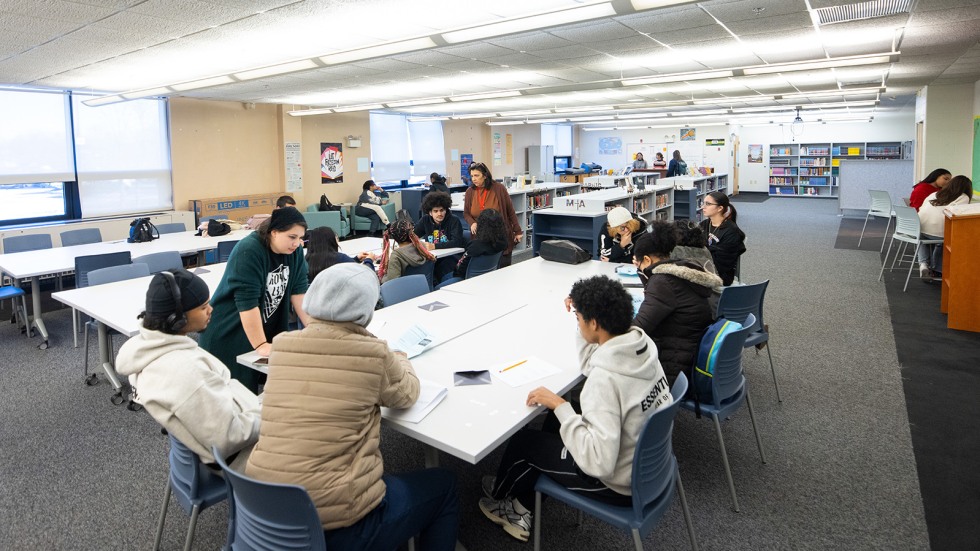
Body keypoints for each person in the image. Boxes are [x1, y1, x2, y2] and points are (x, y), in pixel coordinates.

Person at [245, 263, 459, 550]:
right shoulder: (373, 353)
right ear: (367, 309)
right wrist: (400, 356)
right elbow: (407, 394)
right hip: (339, 522)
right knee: (445, 486)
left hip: (263, 507)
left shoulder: (283, 345)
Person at [479, 275, 671, 542]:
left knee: (525, 441)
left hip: (617, 483)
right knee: (555, 423)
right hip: (649, 466)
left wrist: (560, 404)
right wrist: (562, 411)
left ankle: (503, 500)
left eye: (579, 318)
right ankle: (521, 501)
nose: (577, 322)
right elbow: (592, 363)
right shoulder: (640, 346)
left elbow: (598, 462)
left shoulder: (605, 381)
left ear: (594, 323)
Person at [116, 269, 260, 470]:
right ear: (177, 318)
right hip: (243, 458)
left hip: (228, 428)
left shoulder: (144, 350)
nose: (211, 309)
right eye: (203, 307)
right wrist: (270, 415)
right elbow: (228, 438)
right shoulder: (187, 371)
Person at [199, 206, 312, 393]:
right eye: (292, 237)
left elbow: (299, 293)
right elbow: (247, 304)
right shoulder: (249, 250)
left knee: (270, 393)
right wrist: (260, 344)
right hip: (229, 333)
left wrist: (315, 329)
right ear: (274, 232)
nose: (297, 243)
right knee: (237, 398)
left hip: (263, 329)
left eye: (301, 238)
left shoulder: (295, 252)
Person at [632, 222, 722, 383]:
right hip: (691, 350)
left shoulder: (662, 282)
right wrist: (644, 273)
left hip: (674, 364)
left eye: (639, 264)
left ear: (646, 259)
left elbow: (638, 328)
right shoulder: (681, 267)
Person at [463, 161, 522, 268]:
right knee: (484, 271)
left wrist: (517, 231)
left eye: (477, 175)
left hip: (499, 235)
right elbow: (466, 213)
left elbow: (510, 211)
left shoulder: (499, 188)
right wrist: (472, 223)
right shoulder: (470, 192)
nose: (473, 179)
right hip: (479, 236)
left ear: (485, 176)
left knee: (503, 270)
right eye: (471, 176)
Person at [917, 175, 973, 278]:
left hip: (920, 229)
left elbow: (921, 209)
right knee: (948, 239)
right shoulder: (963, 197)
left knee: (922, 239)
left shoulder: (935, 194)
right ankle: (937, 269)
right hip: (939, 234)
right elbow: (956, 214)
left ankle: (923, 264)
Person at [414, 191, 465, 281]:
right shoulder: (425, 220)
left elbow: (457, 241)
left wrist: (434, 246)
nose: (439, 214)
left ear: (446, 210)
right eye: (435, 211)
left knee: (441, 269)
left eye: (442, 210)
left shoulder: (454, 220)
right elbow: (414, 235)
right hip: (431, 257)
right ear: (430, 212)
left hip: (450, 257)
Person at [698, 191, 745, 286]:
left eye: (708, 204)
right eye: (703, 203)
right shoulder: (704, 224)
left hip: (721, 275)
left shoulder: (731, 232)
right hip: (702, 266)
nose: (703, 207)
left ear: (720, 208)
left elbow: (723, 264)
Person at [305, 226, 376, 282]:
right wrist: (369, 260)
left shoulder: (306, 260)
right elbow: (366, 275)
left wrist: (356, 259)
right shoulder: (339, 258)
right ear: (331, 241)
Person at [453, 208, 508, 279]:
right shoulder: (503, 242)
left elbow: (460, 270)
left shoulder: (475, 246)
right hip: (488, 277)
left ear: (481, 225)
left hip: (466, 281)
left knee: (438, 285)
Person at [378, 218, 435, 283]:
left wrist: (381, 278)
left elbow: (392, 283)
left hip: (405, 292)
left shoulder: (396, 256)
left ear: (393, 237)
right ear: (411, 233)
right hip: (425, 289)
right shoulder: (422, 247)